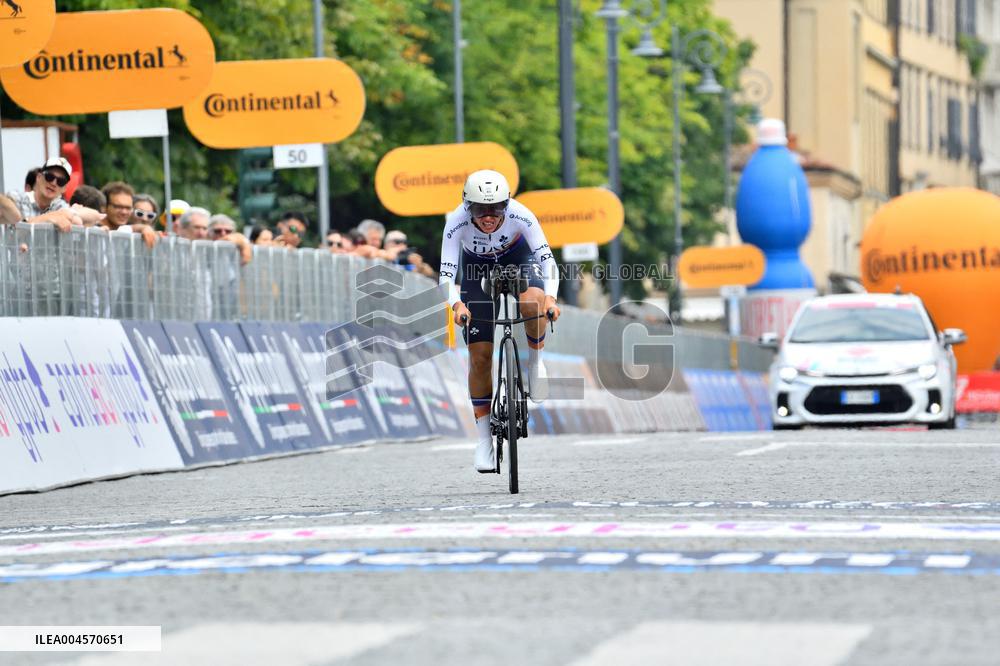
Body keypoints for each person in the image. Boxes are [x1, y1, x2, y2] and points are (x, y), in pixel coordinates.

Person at [439, 169, 561, 472]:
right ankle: (483, 441)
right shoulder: (456, 222)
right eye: (480, 210)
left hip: (519, 258)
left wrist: (552, 298)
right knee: (479, 357)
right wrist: (456, 305)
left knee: (532, 301)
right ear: (468, 207)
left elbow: (548, 261)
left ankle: (536, 361)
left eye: (497, 209)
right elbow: (446, 273)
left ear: (507, 204)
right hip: (475, 269)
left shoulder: (522, 215)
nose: (489, 216)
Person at [1, 158, 74, 231]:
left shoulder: (60, 205)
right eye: (49, 177)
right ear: (38, 177)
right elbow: (18, 229)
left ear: (64, 188)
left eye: (61, 181)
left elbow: (80, 217)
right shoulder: (18, 198)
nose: (53, 183)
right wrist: (48, 218)